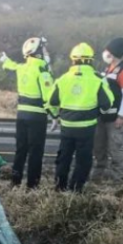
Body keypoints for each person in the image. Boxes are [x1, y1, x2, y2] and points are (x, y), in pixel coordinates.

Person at [49, 43, 114, 192]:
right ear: (90, 60)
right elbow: (107, 104)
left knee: (63, 157)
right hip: (86, 127)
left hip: (67, 127)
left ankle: (60, 187)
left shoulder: (63, 79)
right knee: (83, 160)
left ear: (72, 60)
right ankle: (76, 189)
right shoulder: (97, 79)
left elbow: (52, 100)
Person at [0, 37, 56, 189]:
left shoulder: (22, 68)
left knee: (21, 150)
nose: (46, 52)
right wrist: (55, 115)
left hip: (21, 115)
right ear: (37, 52)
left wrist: (4, 60)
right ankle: (32, 185)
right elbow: (49, 97)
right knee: (35, 152)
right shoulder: (42, 70)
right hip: (37, 117)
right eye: (43, 49)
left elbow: (11, 66)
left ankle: (15, 181)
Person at [93, 38, 123, 182]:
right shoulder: (107, 69)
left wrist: (121, 116)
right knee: (99, 147)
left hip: (115, 118)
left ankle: (118, 179)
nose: (105, 53)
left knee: (115, 148)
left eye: (108, 51)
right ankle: (98, 176)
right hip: (102, 116)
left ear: (115, 52)